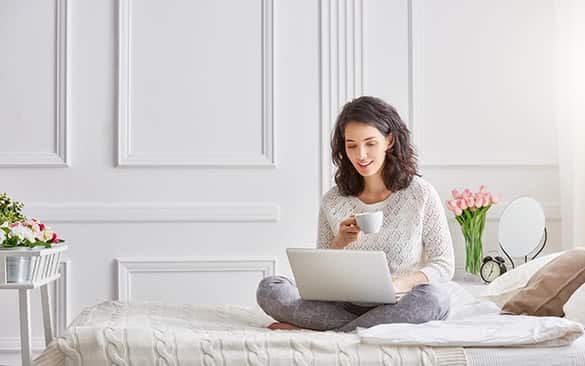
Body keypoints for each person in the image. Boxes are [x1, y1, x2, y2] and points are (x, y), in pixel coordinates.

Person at [256, 96, 455, 332]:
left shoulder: (420, 193)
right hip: (342, 306)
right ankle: (359, 328)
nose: (361, 155)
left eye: (370, 143)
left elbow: (444, 264)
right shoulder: (333, 200)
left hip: (400, 303)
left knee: (435, 300)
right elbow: (320, 276)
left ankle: (333, 332)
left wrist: (400, 283)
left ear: (389, 140)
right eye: (351, 145)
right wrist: (339, 243)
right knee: (270, 288)